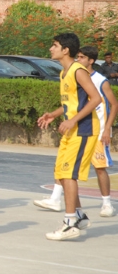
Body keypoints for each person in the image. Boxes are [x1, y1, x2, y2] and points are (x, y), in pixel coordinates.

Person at [35, 45, 117, 218]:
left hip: (93, 128)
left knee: (98, 168)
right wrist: (54, 114)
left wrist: (107, 128)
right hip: (77, 128)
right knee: (63, 168)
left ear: (91, 61)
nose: (79, 59)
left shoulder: (99, 80)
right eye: (78, 56)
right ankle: (59, 201)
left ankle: (105, 204)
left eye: (82, 57)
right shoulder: (70, 73)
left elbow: (111, 103)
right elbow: (71, 104)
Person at [37, 33, 101, 241]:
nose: (51, 49)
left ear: (66, 50)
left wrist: (73, 120)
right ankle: (79, 216)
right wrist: (54, 114)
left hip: (83, 129)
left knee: (68, 175)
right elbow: (71, 103)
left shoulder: (78, 71)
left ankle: (70, 222)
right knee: (61, 173)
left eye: (54, 45)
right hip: (72, 130)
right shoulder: (64, 72)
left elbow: (96, 99)